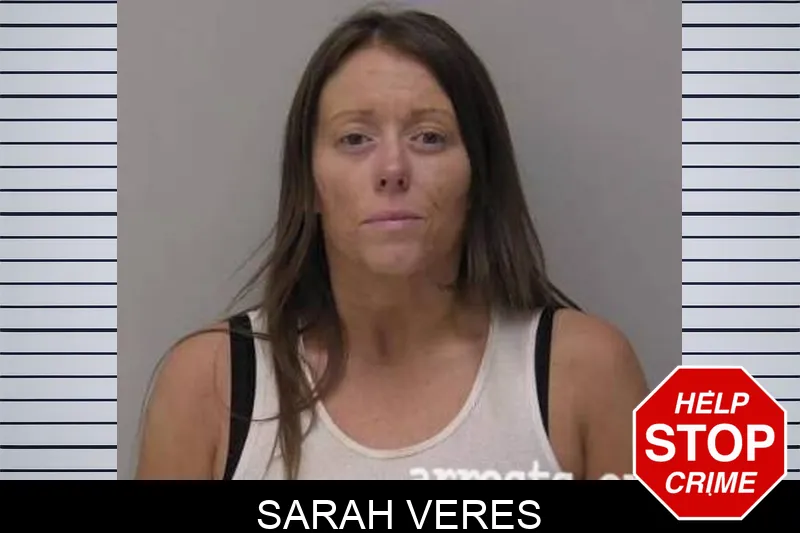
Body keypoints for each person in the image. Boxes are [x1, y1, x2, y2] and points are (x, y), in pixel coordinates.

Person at [135, 6, 649, 481]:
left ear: (479, 173)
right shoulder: (210, 383)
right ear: (309, 183)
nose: (393, 169)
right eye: (355, 139)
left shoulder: (589, 372)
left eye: (429, 137)